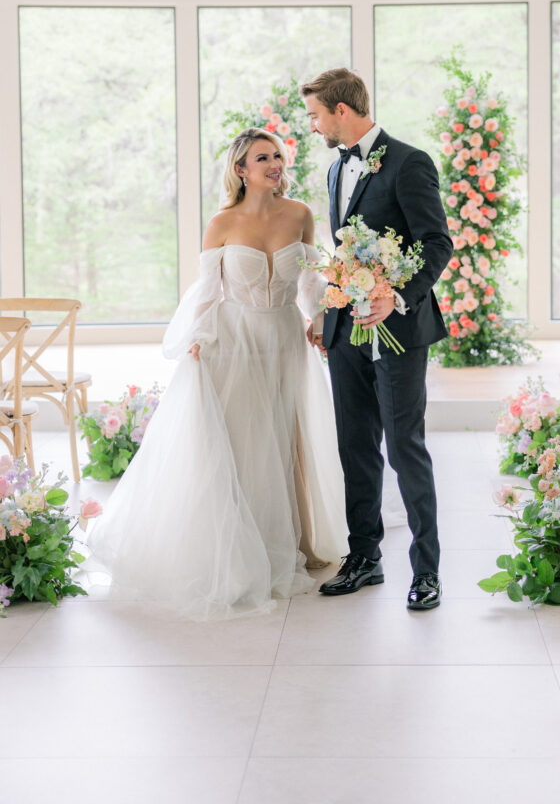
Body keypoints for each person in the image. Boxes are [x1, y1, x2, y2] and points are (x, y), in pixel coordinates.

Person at [86, 128, 347, 620]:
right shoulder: (221, 223)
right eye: (261, 158)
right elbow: (207, 290)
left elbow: (310, 280)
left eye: (276, 156)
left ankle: (297, 538)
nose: (273, 164)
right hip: (235, 340)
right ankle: (244, 549)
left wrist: (316, 317)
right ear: (241, 170)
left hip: (286, 339)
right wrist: (198, 337)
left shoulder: (300, 215)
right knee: (245, 441)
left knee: (286, 437)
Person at [302, 68, 452, 611]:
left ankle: (427, 571)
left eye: (317, 115)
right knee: (355, 448)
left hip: (400, 332)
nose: (314, 125)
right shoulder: (336, 165)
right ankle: (364, 558)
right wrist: (326, 314)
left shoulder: (410, 162)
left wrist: (398, 295)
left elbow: (437, 243)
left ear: (342, 111)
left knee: (405, 449)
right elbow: (344, 252)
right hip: (344, 333)